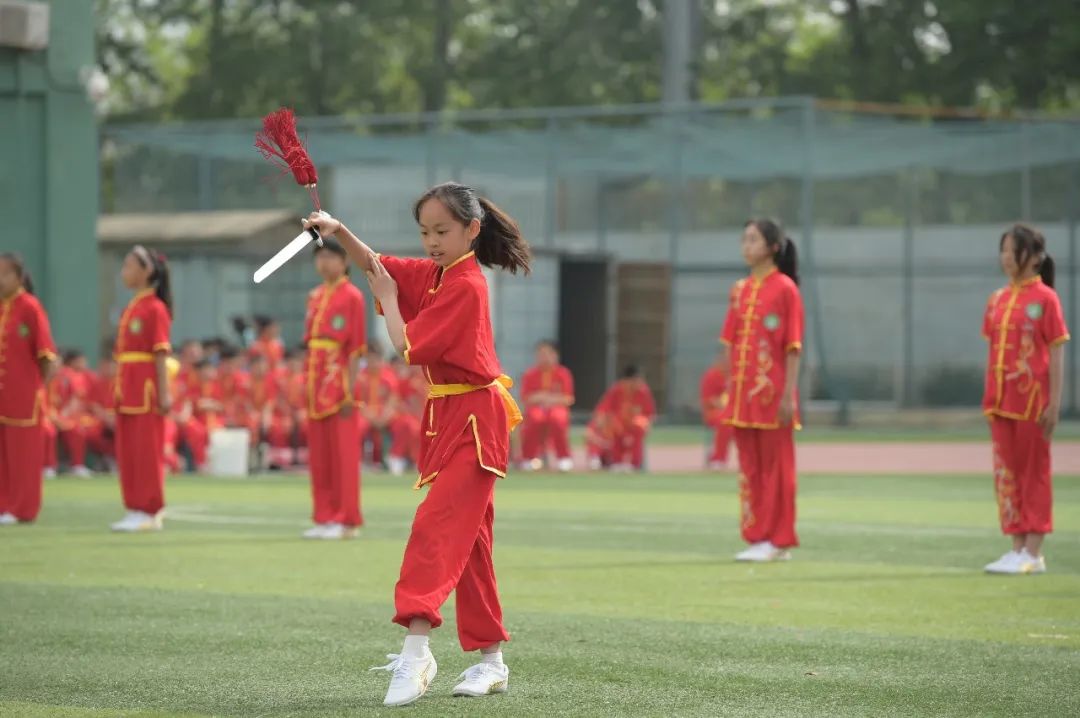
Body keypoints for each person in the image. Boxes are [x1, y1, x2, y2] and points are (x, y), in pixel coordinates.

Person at [302, 181, 529, 706]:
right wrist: (338, 231)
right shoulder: (437, 272)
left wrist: (384, 301)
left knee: (436, 526)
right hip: (450, 413)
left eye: (442, 231)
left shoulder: (466, 284)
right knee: (471, 545)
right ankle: (491, 661)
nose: (430, 240)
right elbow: (377, 263)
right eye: (425, 231)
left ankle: (416, 648)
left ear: (472, 230)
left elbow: (407, 344)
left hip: (475, 419)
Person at [982, 223, 1068, 575]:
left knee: (1034, 474)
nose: (1005, 258)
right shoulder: (997, 299)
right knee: (1007, 475)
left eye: (1011, 250)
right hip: (999, 403)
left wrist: (1054, 403)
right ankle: (1016, 547)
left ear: (1033, 258)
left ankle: (1034, 551)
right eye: (1002, 250)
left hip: (1033, 404)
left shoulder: (1046, 298)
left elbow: (1057, 352)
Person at [719, 218, 803, 563]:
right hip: (742, 398)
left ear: (772, 247)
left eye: (753, 240)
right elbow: (729, 341)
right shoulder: (739, 289)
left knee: (777, 470)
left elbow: (792, 348)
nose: (746, 246)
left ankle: (778, 538)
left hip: (772, 398)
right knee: (749, 469)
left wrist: (788, 397)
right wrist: (730, 388)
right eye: (744, 239)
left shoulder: (785, 289)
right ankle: (756, 536)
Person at [302, 237, 365, 540]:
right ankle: (324, 516)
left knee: (343, 456)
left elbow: (354, 349)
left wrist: (350, 391)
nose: (324, 262)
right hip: (315, 385)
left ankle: (346, 519)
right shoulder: (313, 296)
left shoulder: (352, 296)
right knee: (320, 456)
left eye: (331, 256)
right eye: (320, 256)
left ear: (345, 261)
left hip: (338, 383)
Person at [110, 245, 173, 532]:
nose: (124, 271)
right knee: (129, 451)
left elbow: (160, 353)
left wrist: (164, 393)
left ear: (147, 271)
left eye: (129, 265)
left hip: (146, 389)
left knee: (147, 452)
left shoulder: (155, 308)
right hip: (127, 388)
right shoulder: (132, 306)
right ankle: (134, 506)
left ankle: (149, 509)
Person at [0, 253, 58, 525]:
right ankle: (4, 505)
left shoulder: (30, 307)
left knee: (23, 456)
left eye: (4, 274)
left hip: (24, 396)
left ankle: (23, 509)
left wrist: (37, 389)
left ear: (18, 277)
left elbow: (47, 357)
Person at [519, 340, 575, 472]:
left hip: (556, 407)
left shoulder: (563, 373)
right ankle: (529, 457)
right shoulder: (530, 374)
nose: (544, 357)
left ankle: (563, 457)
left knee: (558, 419)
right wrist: (540, 397)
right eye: (540, 354)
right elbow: (525, 397)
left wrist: (549, 399)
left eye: (547, 354)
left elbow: (568, 398)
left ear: (555, 355)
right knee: (534, 419)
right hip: (536, 407)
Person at [595, 365, 655, 472]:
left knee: (639, 426)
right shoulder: (616, 390)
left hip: (634, 424)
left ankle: (635, 464)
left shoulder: (643, 391)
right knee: (613, 426)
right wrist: (602, 422)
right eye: (635, 380)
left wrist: (646, 424)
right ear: (626, 380)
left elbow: (649, 413)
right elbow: (603, 408)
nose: (638, 383)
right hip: (619, 424)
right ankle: (616, 462)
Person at [354, 342, 397, 467]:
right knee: (357, 425)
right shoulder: (360, 376)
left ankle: (395, 459)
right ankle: (356, 460)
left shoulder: (389, 376)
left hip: (384, 414)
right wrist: (369, 416)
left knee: (403, 425)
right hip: (366, 413)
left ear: (380, 358)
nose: (372, 361)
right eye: (369, 358)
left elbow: (393, 401)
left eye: (375, 358)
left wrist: (383, 417)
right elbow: (358, 401)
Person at [386, 356, 424, 476]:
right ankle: (397, 458)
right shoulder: (404, 381)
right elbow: (396, 401)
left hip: (425, 417)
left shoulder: (427, 380)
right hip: (405, 417)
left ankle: (419, 461)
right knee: (409, 426)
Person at [700, 351, 733, 469]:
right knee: (724, 421)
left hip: (732, 413)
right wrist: (725, 406)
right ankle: (718, 458)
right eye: (724, 359)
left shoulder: (734, 376)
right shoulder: (712, 375)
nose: (727, 363)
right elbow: (709, 400)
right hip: (714, 413)